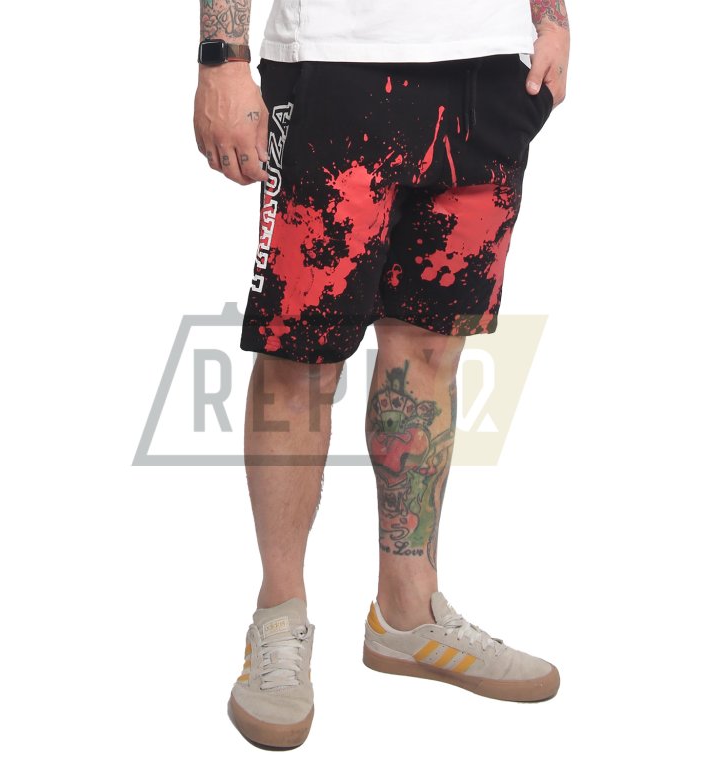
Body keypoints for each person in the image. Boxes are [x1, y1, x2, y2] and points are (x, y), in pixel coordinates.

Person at [194, 0, 570, 749]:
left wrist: (552, 17)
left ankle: (407, 615)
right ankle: (280, 618)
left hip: (492, 70)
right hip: (335, 62)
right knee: (301, 358)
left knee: (432, 350)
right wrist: (221, 57)